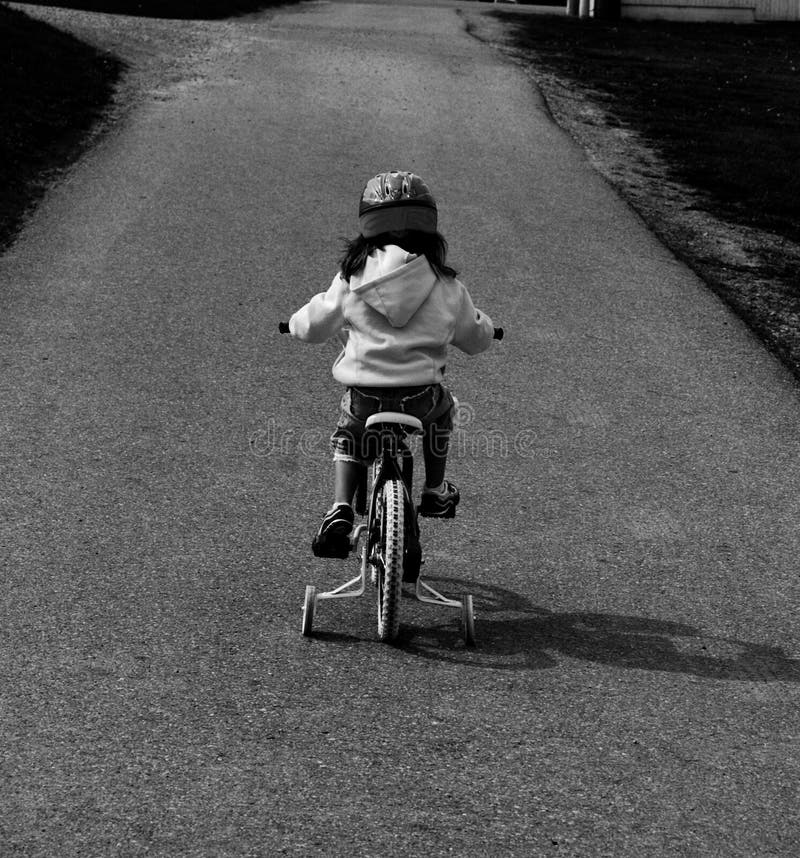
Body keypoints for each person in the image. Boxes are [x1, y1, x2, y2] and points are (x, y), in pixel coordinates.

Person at [283, 170, 500, 558]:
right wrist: (486, 330)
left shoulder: (352, 279)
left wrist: (295, 326)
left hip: (365, 396)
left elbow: (314, 324)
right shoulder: (447, 286)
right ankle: (434, 492)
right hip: (420, 397)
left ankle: (341, 509)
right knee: (444, 412)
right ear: (429, 229)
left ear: (368, 227)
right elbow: (474, 336)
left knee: (349, 439)